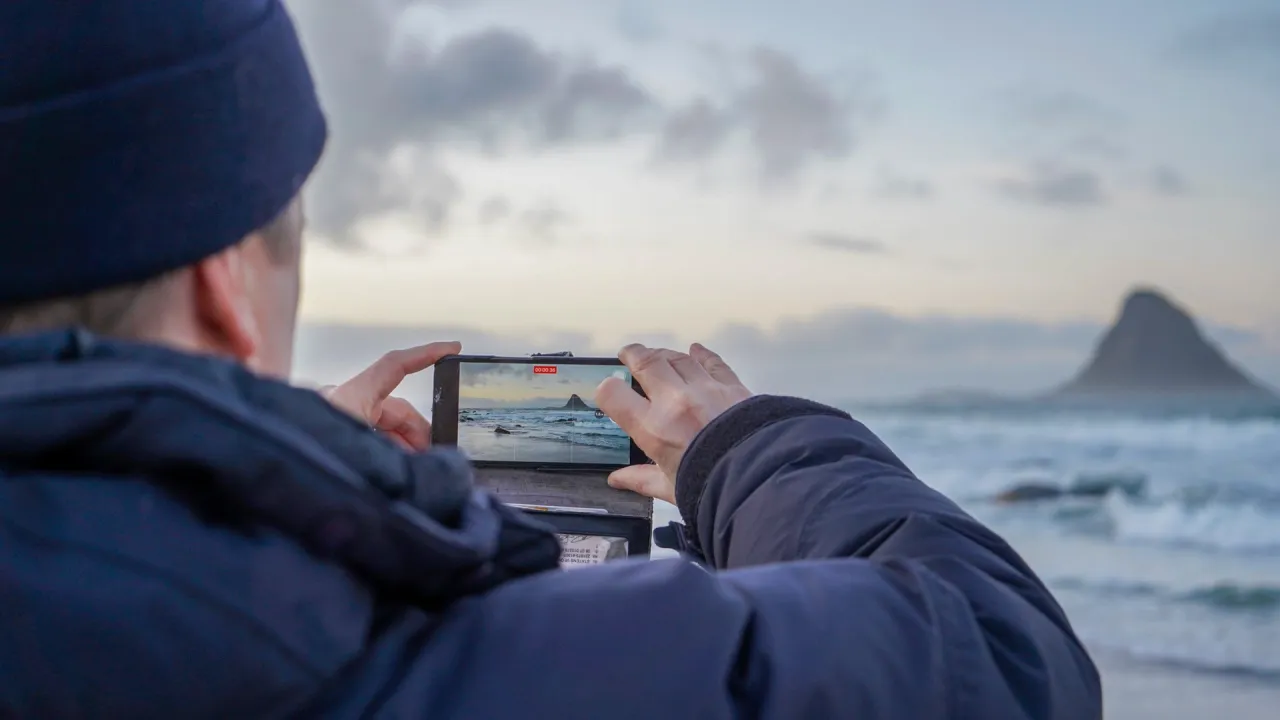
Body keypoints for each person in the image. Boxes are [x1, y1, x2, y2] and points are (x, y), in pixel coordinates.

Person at [0, 2, 1101, 718]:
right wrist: (744, 454)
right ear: (227, 293)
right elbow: (1002, 659)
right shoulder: (485, 672)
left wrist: (258, 470)